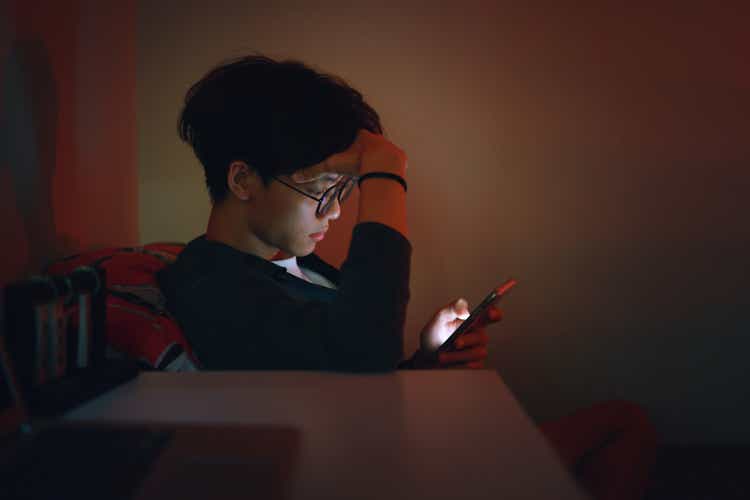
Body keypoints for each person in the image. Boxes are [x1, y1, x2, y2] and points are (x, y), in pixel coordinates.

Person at [157, 55, 658, 500]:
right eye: (324, 189)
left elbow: (352, 375)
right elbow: (362, 358)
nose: (334, 213)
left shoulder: (298, 265)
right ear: (243, 180)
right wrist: (385, 175)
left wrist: (427, 358)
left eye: (345, 192)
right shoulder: (212, 282)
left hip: (393, 446)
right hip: (372, 473)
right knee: (620, 426)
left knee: (621, 423)